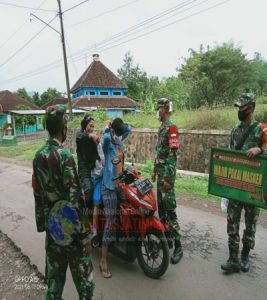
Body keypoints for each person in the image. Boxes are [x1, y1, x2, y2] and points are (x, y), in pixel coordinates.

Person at [32, 105, 94, 299]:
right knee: (85, 286)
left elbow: (38, 193)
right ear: (64, 127)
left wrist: (42, 224)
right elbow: (76, 198)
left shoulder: (38, 156)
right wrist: (85, 236)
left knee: (54, 283)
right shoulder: (65, 157)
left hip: (53, 229)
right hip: (72, 231)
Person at [221, 91, 267, 273]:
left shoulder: (262, 129)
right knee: (232, 222)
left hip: (253, 187)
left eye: (243, 108)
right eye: (238, 107)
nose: (240, 110)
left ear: (252, 108)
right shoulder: (234, 130)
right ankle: (233, 258)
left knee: (250, 223)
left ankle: (245, 256)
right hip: (235, 185)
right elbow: (230, 155)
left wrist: (260, 150)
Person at [151, 98, 183, 265]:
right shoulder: (161, 127)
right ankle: (167, 239)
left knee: (169, 210)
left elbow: (172, 154)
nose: (158, 111)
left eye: (159, 108)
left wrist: (167, 178)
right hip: (161, 173)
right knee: (162, 209)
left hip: (167, 176)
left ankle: (178, 246)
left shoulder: (171, 127)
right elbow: (159, 153)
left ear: (165, 109)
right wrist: (155, 171)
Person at [100, 117, 131, 278]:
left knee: (130, 208)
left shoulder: (118, 140)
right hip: (109, 187)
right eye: (117, 133)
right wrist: (107, 128)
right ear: (113, 132)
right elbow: (104, 139)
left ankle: (124, 242)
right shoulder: (107, 143)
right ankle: (103, 260)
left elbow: (129, 129)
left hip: (119, 185)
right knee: (110, 221)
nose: (120, 136)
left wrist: (119, 127)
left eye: (120, 133)